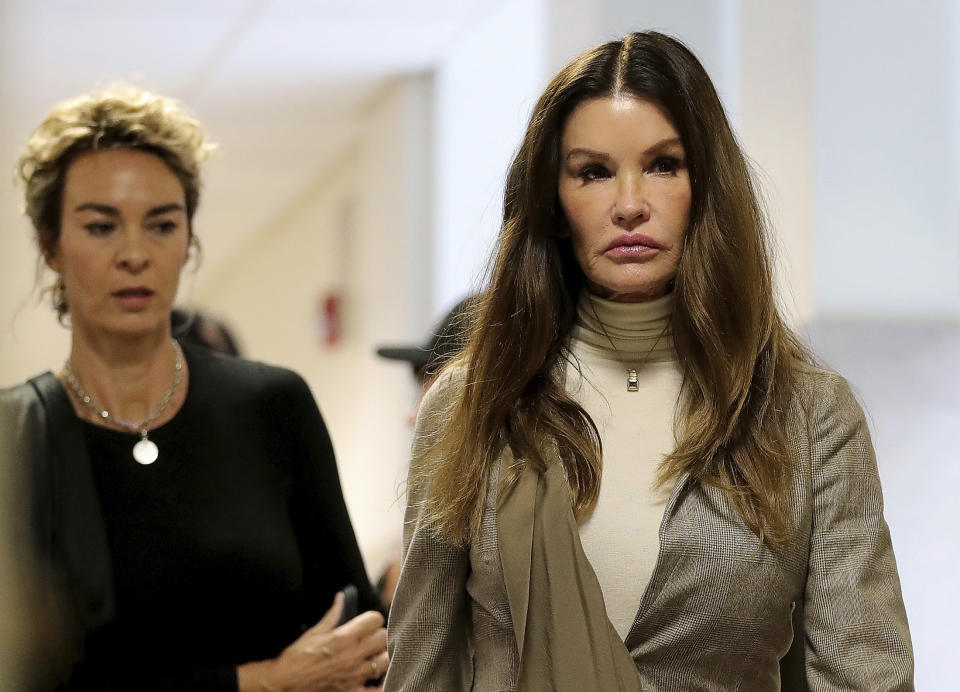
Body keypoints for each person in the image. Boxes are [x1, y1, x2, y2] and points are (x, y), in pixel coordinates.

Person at [384, 31, 913, 691]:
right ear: (553, 201)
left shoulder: (807, 414)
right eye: (594, 171)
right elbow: (420, 673)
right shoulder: (471, 405)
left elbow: (867, 676)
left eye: (664, 165)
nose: (629, 203)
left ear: (708, 187)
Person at [1, 85, 387, 691]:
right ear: (51, 245)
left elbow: (358, 631)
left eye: (162, 225)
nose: (135, 254)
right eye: (101, 227)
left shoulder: (272, 407)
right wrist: (265, 682)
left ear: (189, 241)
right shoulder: (15, 439)